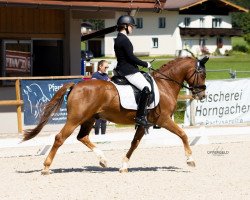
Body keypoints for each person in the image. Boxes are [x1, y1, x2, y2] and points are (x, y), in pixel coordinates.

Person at [114, 15, 152, 127]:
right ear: (125, 26)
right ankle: (140, 117)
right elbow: (131, 57)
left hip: (124, 68)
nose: (132, 28)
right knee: (147, 88)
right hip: (128, 70)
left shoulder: (119, 38)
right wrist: (145, 64)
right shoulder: (124, 39)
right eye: (131, 26)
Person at [91, 60, 110, 135]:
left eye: (107, 67)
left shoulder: (105, 75)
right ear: (100, 66)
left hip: (105, 101)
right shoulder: (95, 75)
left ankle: (103, 136)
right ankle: (97, 137)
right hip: (97, 101)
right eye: (105, 67)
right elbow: (93, 87)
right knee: (98, 119)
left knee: (104, 120)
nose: (106, 69)